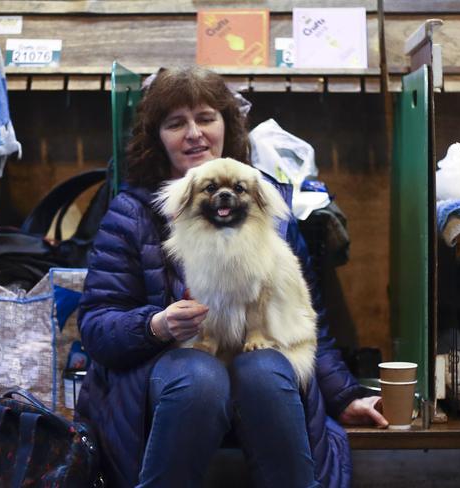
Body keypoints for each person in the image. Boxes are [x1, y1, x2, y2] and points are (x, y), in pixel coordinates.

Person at [76, 66, 388, 488]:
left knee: (264, 368)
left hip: (258, 380)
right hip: (165, 384)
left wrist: (346, 396)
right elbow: (96, 326)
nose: (193, 134)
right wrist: (155, 325)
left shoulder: (266, 206)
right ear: (157, 138)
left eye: (206, 118)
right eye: (175, 123)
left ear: (227, 125)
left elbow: (303, 319)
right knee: (199, 376)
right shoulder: (130, 215)